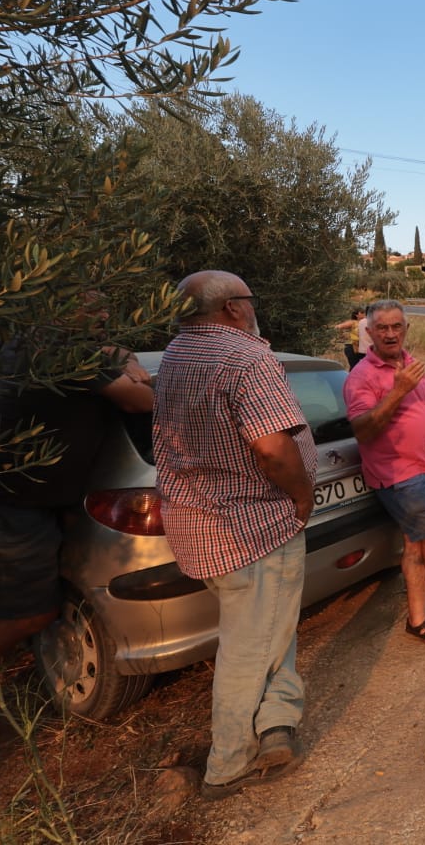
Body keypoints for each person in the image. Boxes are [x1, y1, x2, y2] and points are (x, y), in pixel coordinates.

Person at [0, 322, 153, 790]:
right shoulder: (65, 344)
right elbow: (142, 402)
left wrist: (125, 359)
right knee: (33, 613)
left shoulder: (22, 340)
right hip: (4, 509)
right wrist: (133, 367)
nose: (102, 305)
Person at [153, 271, 316, 801]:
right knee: (249, 650)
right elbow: (271, 448)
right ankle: (228, 762)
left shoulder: (174, 355)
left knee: (269, 629)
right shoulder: (247, 358)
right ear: (232, 308)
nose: (254, 309)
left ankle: (274, 728)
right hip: (252, 529)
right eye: (250, 300)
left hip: (198, 530)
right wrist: (301, 495)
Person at [343, 300, 425, 647]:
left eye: (397, 326)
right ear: (370, 332)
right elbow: (363, 429)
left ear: (406, 329)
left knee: (415, 546)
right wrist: (398, 389)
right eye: (383, 328)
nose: (390, 333)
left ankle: (417, 620)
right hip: (399, 476)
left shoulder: (410, 363)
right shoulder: (361, 376)